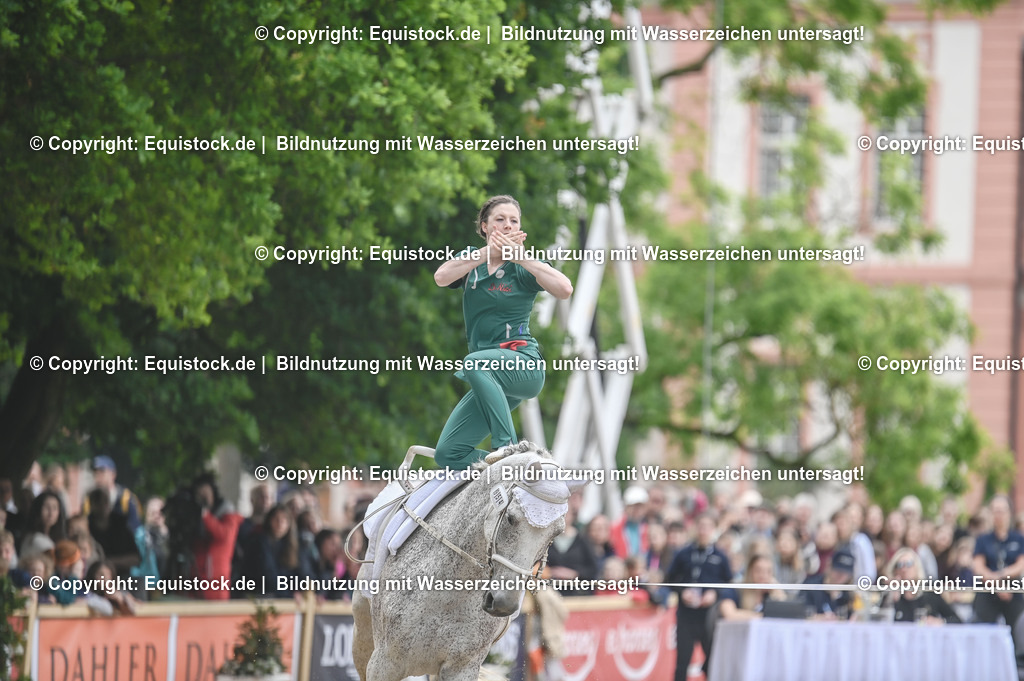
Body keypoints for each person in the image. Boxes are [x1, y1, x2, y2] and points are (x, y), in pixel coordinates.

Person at [432, 195, 573, 469]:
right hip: (489, 375)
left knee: (475, 363)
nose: (508, 225)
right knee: (448, 454)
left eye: (514, 221)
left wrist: (523, 259)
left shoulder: (521, 268)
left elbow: (565, 289)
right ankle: (509, 470)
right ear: (485, 227)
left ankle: (507, 447)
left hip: (524, 365)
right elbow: (441, 277)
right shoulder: (472, 263)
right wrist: (488, 253)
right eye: (500, 219)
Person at [667, 512, 732, 681]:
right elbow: (670, 579)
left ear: (714, 529)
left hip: (709, 616)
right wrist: (682, 592)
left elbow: (729, 583)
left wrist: (715, 593)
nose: (704, 530)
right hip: (686, 614)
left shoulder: (720, 556)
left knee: (711, 660)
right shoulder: (683, 554)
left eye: (708, 527)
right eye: (701, 526)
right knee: (682, 662)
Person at [973, 495, 1024, 659]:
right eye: (995, 511)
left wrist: (1002, 576)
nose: (998, 515)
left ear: (1009, 513)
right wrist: (996, 584)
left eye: (1002, 511)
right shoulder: (983, 540)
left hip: (1012, 592)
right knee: (982, 630)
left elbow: (1020, 565)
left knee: (1017, 630)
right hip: (988, 591)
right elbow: (979, 567)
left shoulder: (1018, 539)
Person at [191, 474, 243, 600]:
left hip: (216, 580)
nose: (202, 497)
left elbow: (224, 535)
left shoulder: (227, 514)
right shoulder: (195, 516)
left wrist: (205, 515)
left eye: (205, 493)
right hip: (195, 578)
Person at [884, 548, 961, 624]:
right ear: (894, 570)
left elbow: (956, 619)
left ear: (917, 567)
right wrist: (892, 600)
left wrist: (941, 621)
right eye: (899, 565)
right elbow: (881, 620)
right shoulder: (889, 593)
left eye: (908, 564)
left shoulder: (930, 592)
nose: (904, 569)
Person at [84, 455, 143, 533]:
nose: (98, 476)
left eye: (102, 472)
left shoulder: (126, 498)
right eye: (95, 473)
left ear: (113, 474)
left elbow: (136, 529)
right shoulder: (89, 501)